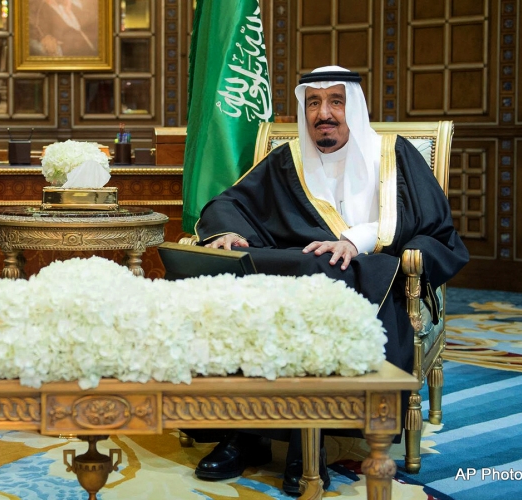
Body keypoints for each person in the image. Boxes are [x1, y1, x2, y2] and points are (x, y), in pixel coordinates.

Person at [188, 66, 469, 494]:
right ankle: (247, 433)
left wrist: (355, 240)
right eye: (314, 103)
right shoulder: (288, 159)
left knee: (319, 276)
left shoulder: (394, 154)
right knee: (249, 273)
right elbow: (232, 203)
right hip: (297, 275)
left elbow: (429, 223)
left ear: (352, 107)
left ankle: (305, 441)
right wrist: (226, 231)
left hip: (370, 275)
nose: (324, 114)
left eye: (336, 101)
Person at [30, 0, 98, 57]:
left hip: (90, 50)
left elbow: (91, 21)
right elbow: (34, 25)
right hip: (68, 53)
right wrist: (45, 36)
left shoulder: (75, 5)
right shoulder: (39, 6)